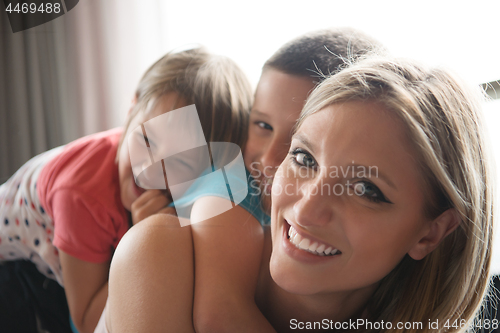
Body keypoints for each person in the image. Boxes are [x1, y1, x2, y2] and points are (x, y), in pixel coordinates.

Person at [110, 55, 494, 332]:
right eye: (304, 158)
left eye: (366, 189)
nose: (307, 210)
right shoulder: (160, 253)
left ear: (430, 232)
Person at [104, 28, 385, 332]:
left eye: (297, 143)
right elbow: (220, 312)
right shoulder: (228, 187)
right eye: (263, 125)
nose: (267, 159)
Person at [0, 47, 253, 333]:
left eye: (179, 162)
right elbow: (85, 322)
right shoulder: (81, 194)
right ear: (131, 110)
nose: (150, 169)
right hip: (15, 267)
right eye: (147, 140)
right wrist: (138, 239)